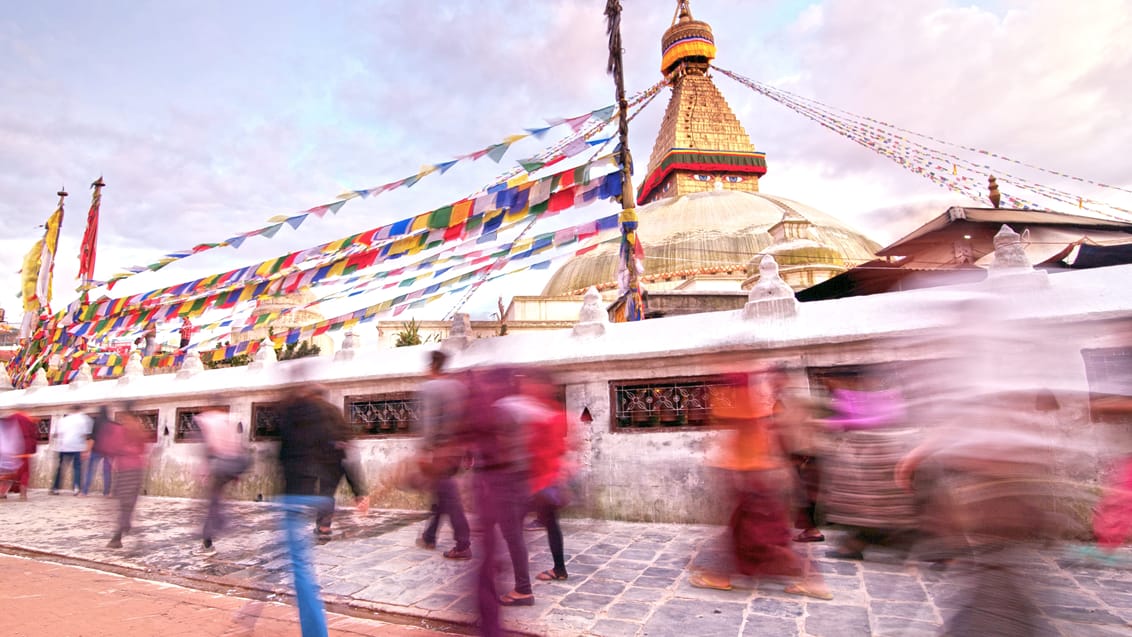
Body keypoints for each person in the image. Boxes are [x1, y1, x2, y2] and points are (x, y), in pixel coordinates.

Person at [689, 371, 831, 600]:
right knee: (741, 533)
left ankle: (812, 579)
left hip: (756, 478)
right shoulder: (758, 404)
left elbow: (747, 429)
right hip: (754, 477)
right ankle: (721, 575)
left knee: (761, 538)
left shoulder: (752, 405)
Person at [456, 367, 536, 636]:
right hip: (513, 482)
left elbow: (500, 449)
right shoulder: (515, 407)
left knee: (511, 538)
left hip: (506, 484)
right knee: (508, 540)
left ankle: (523, 588)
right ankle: (518, 588)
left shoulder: (503, 410)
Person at [276, 384, 340, 637]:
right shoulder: (328, 420)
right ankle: (323, 526)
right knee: (302, 565)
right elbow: (341, 457)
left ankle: (315, 632)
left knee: (300, 567)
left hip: (293, 495)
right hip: (316, 493)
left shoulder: (291, 416)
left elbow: (281, 457)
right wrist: (359, 490)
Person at [415, 350, 471, 559]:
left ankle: (463, 542)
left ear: (431, 366)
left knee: (448, 494)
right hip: (457, 449)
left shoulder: (430, 388)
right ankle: (429, 536)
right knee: (443, 492)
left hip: (441, 451)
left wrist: (424, 449)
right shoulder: (459, 387)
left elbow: (429, 423)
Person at [518, 369, 571, 582]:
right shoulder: (554, 413)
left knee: (511, 524)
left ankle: (518, 581)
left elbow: (531, 448)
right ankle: (559, 569)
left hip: (539, 481)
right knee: (550, 524)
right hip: (547, 480)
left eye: (528, 384)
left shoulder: (539, 415)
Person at [194, 410, 251, 555]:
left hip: (218, 468)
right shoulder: (227, 420)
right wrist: (236, 473)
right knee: (216, 502)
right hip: (230, 467)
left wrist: (204, 471)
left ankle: (208, 541)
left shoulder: (205, 421)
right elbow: (236, 447)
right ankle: (215, 530)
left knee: (213, 503)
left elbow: (209, 449)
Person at [314, 402, 369, 542]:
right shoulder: (344, 428)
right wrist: (359, 491)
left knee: (326, 492)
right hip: (347, 459)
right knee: (329, 492)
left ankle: (324, 527)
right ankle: (360, 498)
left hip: (330, 462)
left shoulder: (320, 426)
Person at [102, 407, 149, 549]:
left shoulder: (121, 430)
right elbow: (142, 448)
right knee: (128, 501)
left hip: (126, 468)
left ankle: (118, 536)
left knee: (125, 503)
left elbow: (111, 447)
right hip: (135, 467)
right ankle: (125, 527)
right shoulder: (139, 428)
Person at [50, 406, 92, 496]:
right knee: (77, 468)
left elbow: (57, 434)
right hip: (77, 446)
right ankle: (76, 488)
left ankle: (55, 488)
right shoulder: (84, 419)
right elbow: (85, 435)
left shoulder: (63, 420)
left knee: (61, 468)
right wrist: (86, 449)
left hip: (64, 446)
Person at [81, 406, 114, 497]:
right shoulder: (111, 423)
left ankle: (84, 491)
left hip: (96, 449)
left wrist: (87, 450)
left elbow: (93, 437)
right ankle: (106, 492)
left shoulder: (97, 422)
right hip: (108, 450)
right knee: (107, 471)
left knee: (91, 471)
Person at [9, 412, 38, 500]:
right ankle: (23, 495)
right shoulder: (28, 420)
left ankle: (2, 494)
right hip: (24, 450)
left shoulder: (10, 419)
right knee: (24, 472)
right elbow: (33, 435)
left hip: (10, 449)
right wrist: (33, 449)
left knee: (7, 472)